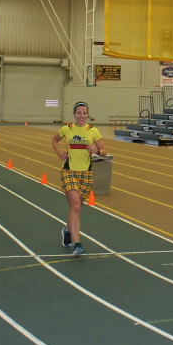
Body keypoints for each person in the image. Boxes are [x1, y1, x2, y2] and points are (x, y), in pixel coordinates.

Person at [51, 101, 105, 257]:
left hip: (86, 174)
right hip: (69, 171)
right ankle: (77, 244)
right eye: (79, 112)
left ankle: (67, 230)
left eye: (84, 113)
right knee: (75, 206)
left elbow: (104, 152)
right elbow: (54, 140)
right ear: (74, 114)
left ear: (88, 114)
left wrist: (96, 150)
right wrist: (58, 152)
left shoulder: (93, 131)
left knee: (77, 207)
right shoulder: (66, 129)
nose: (82, 115)